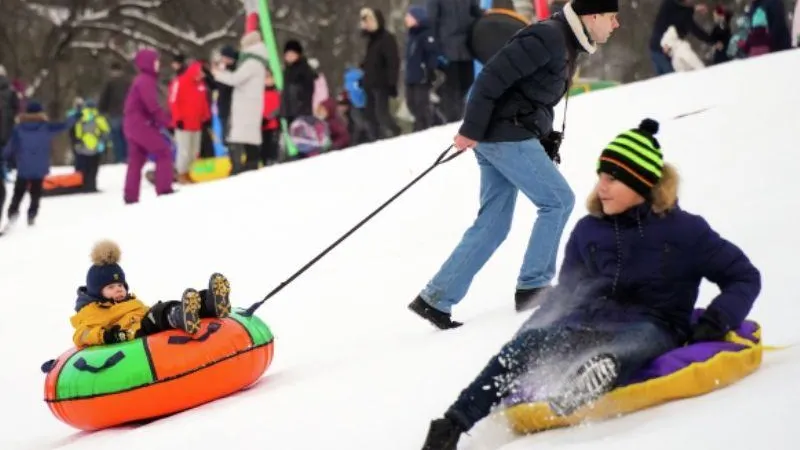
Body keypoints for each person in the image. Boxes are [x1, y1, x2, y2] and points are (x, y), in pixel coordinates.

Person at [419, 119, 762, 450]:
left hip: (654, 324)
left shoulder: (685, 231)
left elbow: (744, 276)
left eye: (614, 179)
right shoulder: (589, 231)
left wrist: (717, 320)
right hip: (586, 325)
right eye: (601, 175)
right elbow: (563, 298)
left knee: (635, 343)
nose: (601, 186)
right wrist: (527, 339)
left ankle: (595, 376)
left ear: (642, 184)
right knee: (523, 349)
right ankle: (453, 423)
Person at [409, 0, 620, 329]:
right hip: (503, 134)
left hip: (507, 133)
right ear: (592, 16)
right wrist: (470, 130)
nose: (616, 24)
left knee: (494, 222)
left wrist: (544, 136)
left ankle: (435, 299)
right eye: (612, 17)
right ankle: (533, 287)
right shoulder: (547, 37)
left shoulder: (566, 41)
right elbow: (489, 80)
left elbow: (530, 95)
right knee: (558, 200)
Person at [70, 240, 234, 348]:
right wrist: (107, 335)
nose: (119, 289)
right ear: (97, 292)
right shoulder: (92, 311)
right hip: (134, 334)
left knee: (165, 308)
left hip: (143, 323)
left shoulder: (130, 302)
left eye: (120, 285)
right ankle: (180, 316)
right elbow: (81, 334)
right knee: (158, 314)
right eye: (111, 287)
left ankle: (209, 304)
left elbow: (144, 311)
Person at [1, 101, 78, 227]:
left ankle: (12, 213)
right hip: (39, 167)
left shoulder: (19, 128)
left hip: (23, 167)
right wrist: (75, 116)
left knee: (18, 192)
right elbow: (64, 125)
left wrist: (3, 157)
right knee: (36, 193)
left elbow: (10, 148)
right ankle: (32, 215)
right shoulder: (46, 127)